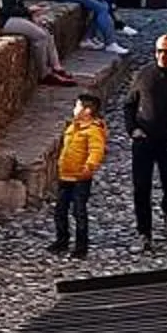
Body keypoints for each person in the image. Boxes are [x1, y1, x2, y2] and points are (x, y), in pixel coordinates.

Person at [122, 31, 167, 248]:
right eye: (159, 51)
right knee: (141, 187)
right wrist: (132, 129)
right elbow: (130, 104)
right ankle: (144, 232)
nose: (163, 55)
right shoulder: (144, 74)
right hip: (144, 140)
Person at [52, 91, 106, 259]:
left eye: (77, 106)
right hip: (65, 175)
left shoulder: (93, 131)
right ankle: (62, 240)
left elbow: (96, 151)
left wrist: (89, 167)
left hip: (80, 178)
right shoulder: (73, 127)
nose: (74, 109)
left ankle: (81, 246)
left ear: (87, 111)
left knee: (79, 211)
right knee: (60, 210)